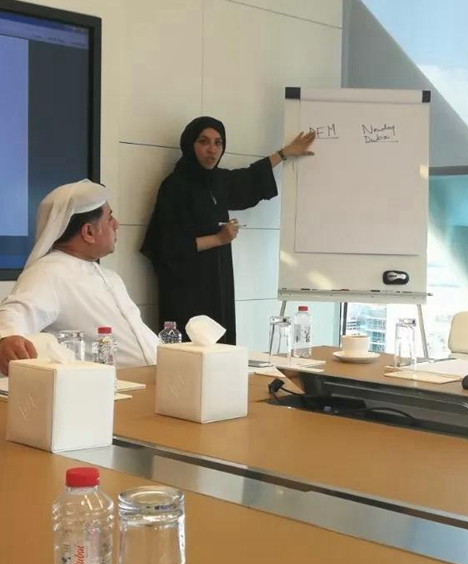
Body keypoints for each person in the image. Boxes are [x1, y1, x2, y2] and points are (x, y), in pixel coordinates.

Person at [141, 116, 315, 344]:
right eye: (204, 141)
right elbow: (166, 246)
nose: (212, 149)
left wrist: (285, 153)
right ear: (190, 144)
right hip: (185, 287)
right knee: (190, 351)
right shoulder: (174, 187)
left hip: (216, 281)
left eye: (218, 143)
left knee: (219, 347)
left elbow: (249, 178)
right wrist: (218, 239)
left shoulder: (217, 181)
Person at [0, 179, 159, 375]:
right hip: (111, 386)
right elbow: (14, 313)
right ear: (89, 232)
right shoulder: (49, 272)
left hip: (155, 380)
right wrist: (7, 337)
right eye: (110, 218)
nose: (116, 225)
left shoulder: (111, 277)